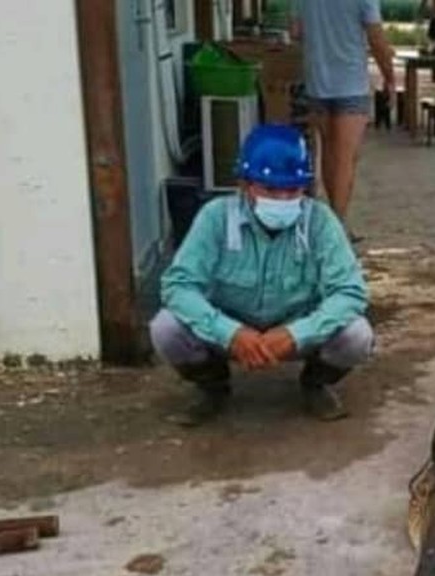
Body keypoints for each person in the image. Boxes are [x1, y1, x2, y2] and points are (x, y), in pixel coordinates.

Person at [150, 124, 374, 427]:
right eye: (269, 189)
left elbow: (350, 292)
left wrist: (297, 333)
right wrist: (229, 332)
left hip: (297, 327)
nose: (282, 199)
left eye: (292, 190)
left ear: (304, 188)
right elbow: (178, 286)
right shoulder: (216, 217)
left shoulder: (320, 222)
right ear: (245, 184)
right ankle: (212, 386)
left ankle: (315, 383)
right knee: (166, 328)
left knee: (357, 335)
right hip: (228, 328)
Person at [290, 0, 396, 237]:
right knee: (345, 158)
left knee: (329, 151)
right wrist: (389, 77)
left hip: (318, 81)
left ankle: (332, 221)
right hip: (350, 83)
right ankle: (336, 228)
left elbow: (296, 31)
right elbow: (376, 38)